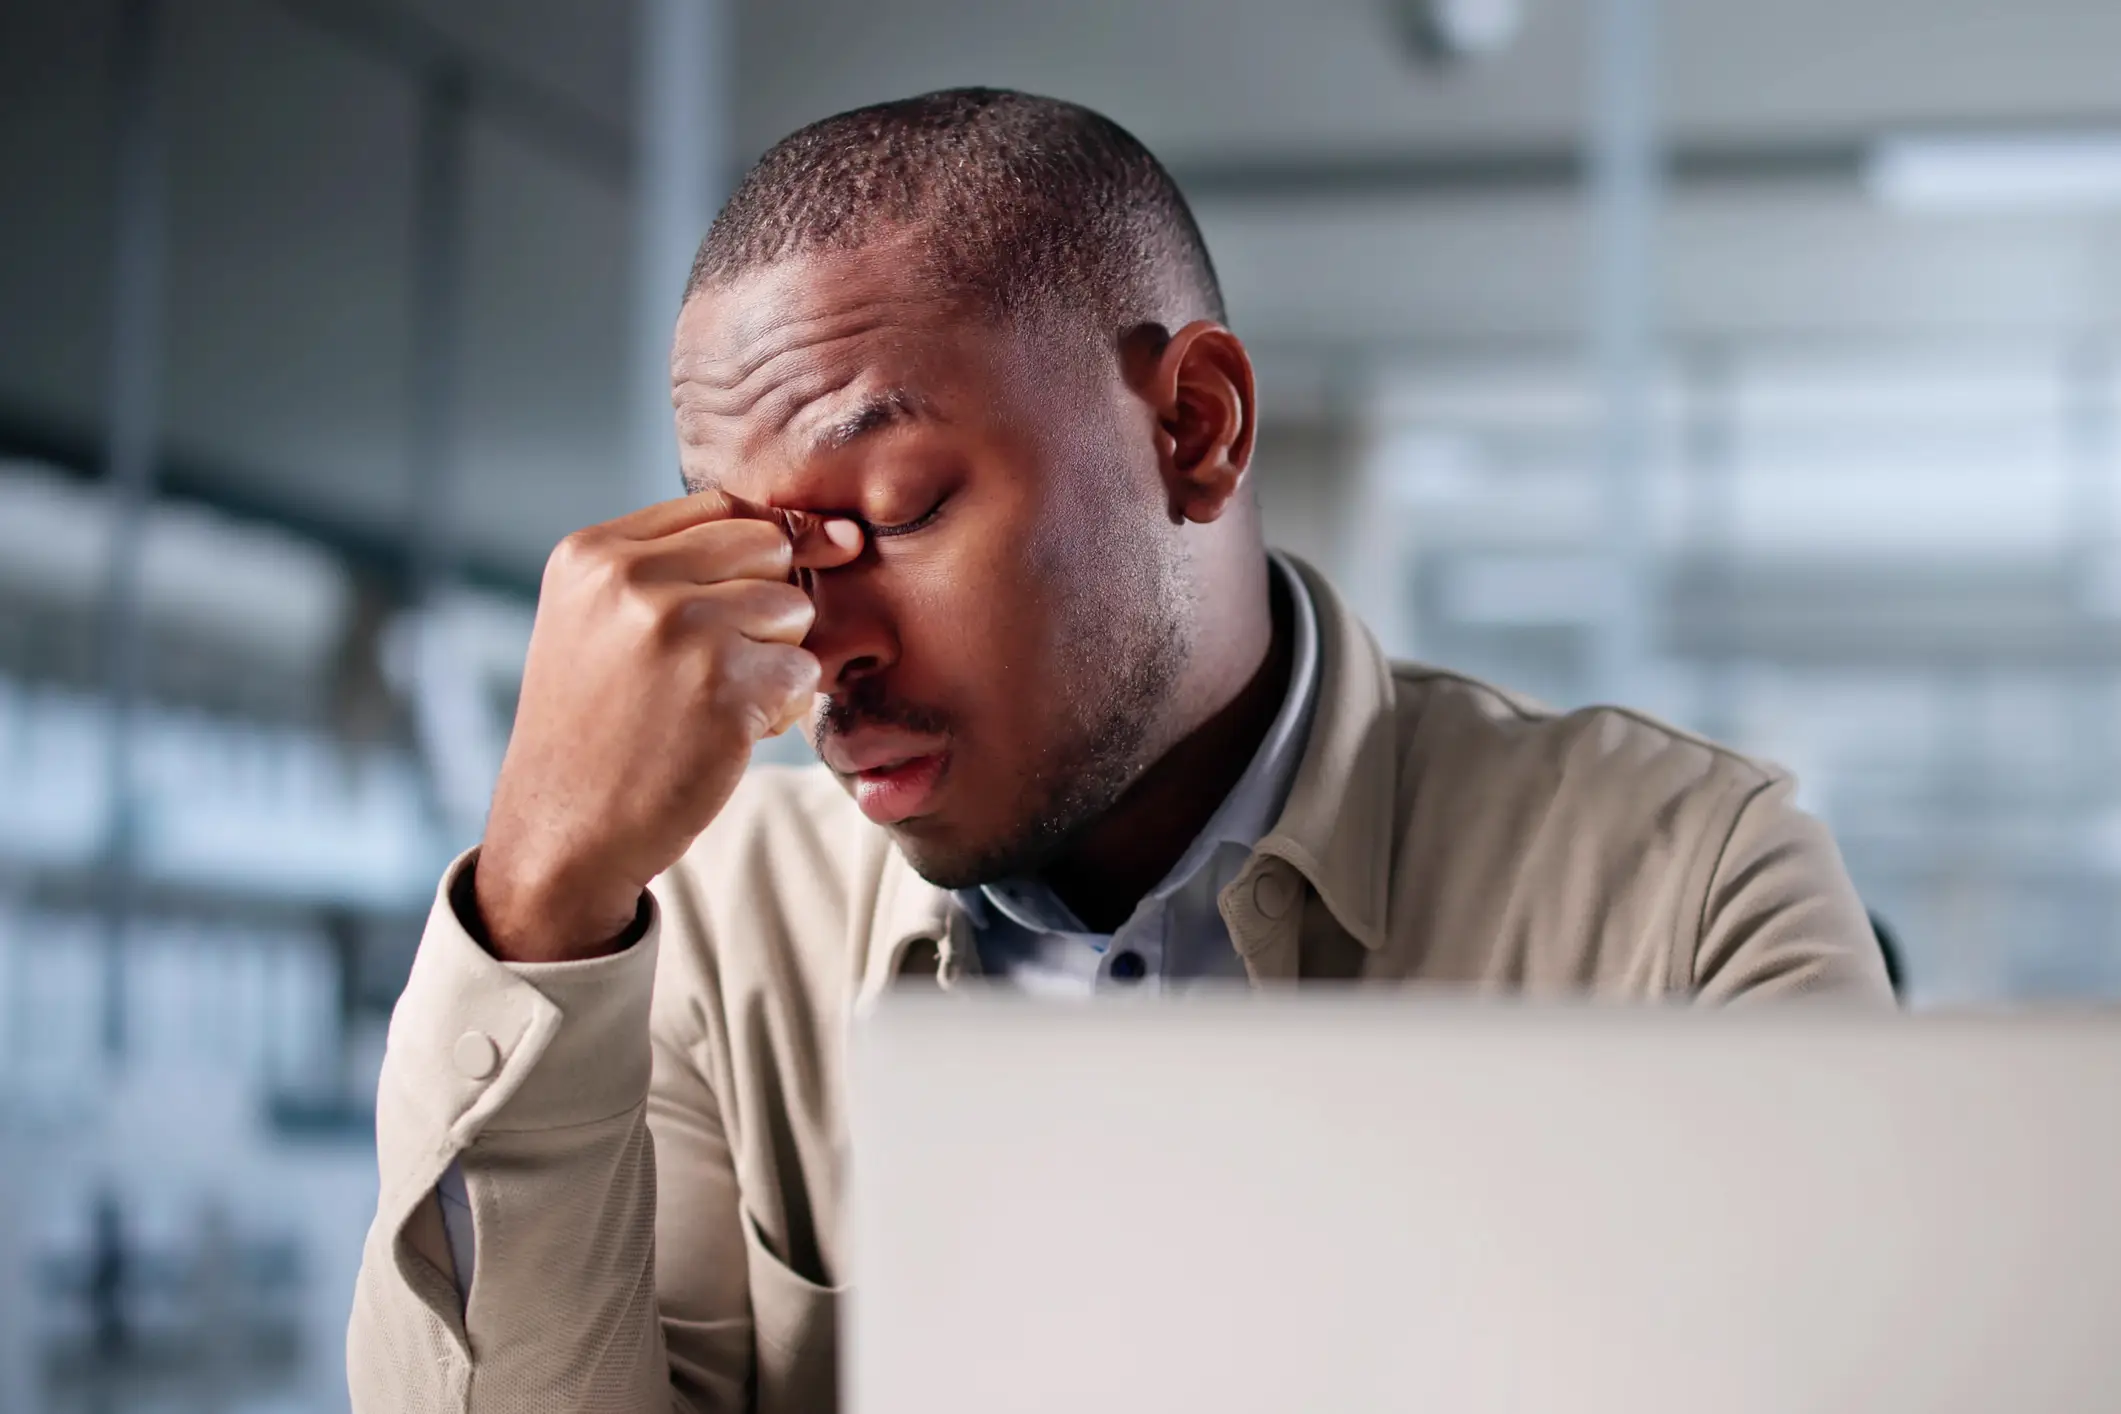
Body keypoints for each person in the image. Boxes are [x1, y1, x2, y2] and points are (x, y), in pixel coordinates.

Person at [347, 88, 1891, 1413]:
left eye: (893, 514)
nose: (820, 645)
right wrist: (541, 902)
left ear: (1196, 428)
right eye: (753, 550)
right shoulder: (701, 933)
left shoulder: (1689, 890)